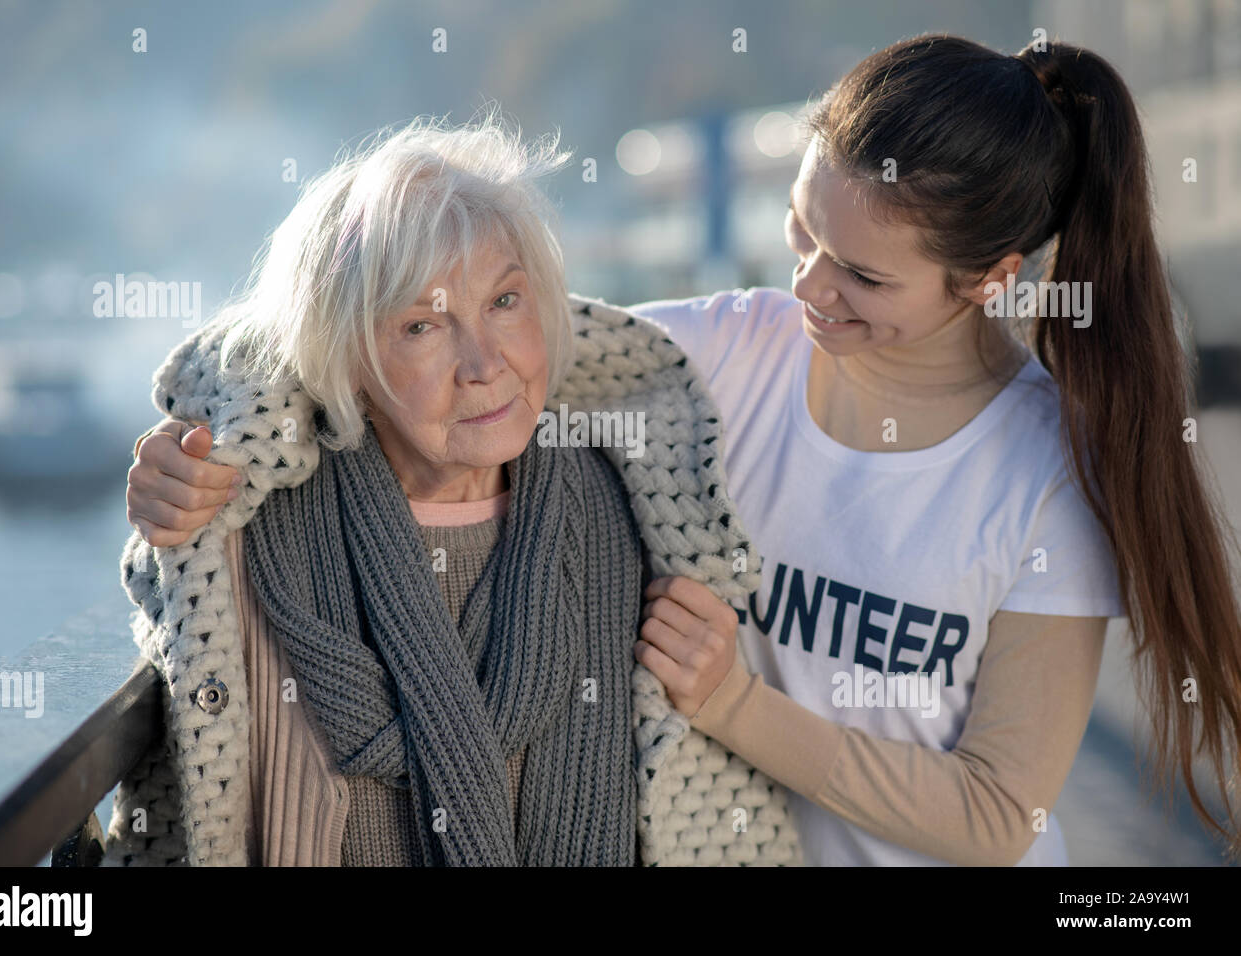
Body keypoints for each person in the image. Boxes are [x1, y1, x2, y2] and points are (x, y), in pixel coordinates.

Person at [128, 35, 1241, 866]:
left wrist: (737, 705)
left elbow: (1000, 815)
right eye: (803, 234)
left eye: (861, 276)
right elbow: (411, 332)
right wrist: (209, 447)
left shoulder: (1046, 472)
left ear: (992, 277)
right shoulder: (719, 355)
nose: (807, 288)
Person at [108, 111, 801, 867]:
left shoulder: (636, 514)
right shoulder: (250, 521)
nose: (484, 362)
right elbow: (174, 606)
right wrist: (179, 478)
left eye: (505, 302)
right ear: (345, 362)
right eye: (421, 327)